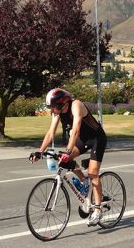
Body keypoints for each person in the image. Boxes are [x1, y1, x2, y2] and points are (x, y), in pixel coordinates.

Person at [29, 88, 107, 226]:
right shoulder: (58, 113)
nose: (52, 111)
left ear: (61, 104)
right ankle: (84, 182)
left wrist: (67, 151)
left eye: (53, 107)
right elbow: (50, 133)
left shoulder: (76, 105)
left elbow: (76, 130)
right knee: (63, 161)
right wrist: (40, 151)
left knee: (93, 172)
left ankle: (98, 210)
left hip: (96, 139)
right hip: (83, 139)